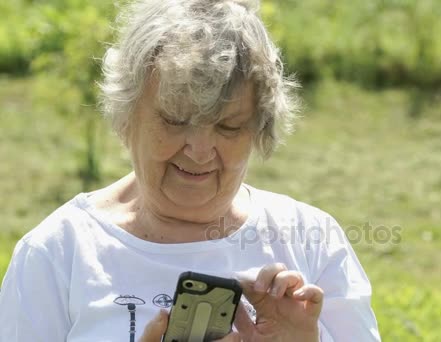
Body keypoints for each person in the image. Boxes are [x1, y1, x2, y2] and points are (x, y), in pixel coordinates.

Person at [0, 0, 380, 341]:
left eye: (228, 126)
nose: (199, 152)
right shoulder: (57, 253)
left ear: (259, 128)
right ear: (126, 115)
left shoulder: (313, 241)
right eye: (175, 119)